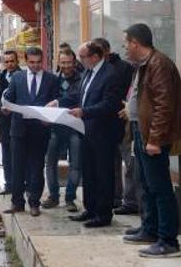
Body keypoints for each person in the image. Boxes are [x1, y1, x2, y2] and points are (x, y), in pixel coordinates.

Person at [121, 24, 181, 258]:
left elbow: (164, 106)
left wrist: (154, 139)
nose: (125, 48)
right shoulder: (145, 64)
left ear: (135, 43)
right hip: (141, 130)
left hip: (152, 136)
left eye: (126, 44)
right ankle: (150, 230)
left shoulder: (158, 64)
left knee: (160, 187)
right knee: (146, 184)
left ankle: (168, 241)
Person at [53, 42, 122, 228]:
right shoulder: (88, 73)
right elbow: (79, 97)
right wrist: (59, 102)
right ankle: (90, 209)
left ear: (95, 57)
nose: (79, 61)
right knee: (89, 173)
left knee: (103, 174)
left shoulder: (110, 74)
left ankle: (103, 214)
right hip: (86, 131)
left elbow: (110, 104)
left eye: (82, 57)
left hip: (103, 133)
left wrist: (85, 112)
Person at [2, 47, 59, 217]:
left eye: (38, 62)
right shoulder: (17, 78)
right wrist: (6, 108)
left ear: (43, 61)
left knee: (36, 166)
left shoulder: (51, 79)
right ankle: (17, 202)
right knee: (17, 167)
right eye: (31, 62)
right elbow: (10, 98)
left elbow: (56, 102)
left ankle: (34, 202)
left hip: (40, 129)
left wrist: (49, 118)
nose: (35, 66)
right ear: (26, 61)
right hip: (19, 129)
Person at [93, 37, 140, 215]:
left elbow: (130, 95)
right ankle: (114, 198)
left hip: (125, 121)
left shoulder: (124, 68)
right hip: (104, 123)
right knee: (110, 164)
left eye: (97, 52)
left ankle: (131, 201)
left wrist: (127, 111)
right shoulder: (95, 70)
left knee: (129, 163)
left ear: (106, 51)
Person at [42, 48, 82, 212]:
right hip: (55, 127)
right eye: (63, 62)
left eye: (69, 62)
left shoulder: (82, 78)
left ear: (74, 62)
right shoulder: (53, 79)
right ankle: (53, 196)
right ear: (58, 62)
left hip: (74, 127)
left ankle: (70, 198)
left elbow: (76, 97)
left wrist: (57, 102)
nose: (66, 66)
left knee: (76, 165)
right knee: (50, 163)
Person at [0, 50, 21, 195]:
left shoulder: (24, 76)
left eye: (12, 61)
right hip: (5, 122)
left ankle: (23, 184)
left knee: (21, 155)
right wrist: (3, 109)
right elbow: (1, 99)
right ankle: (9, 185)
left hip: (20, 121)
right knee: (6, 154)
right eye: (7, 61)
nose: (9, 64)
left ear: (17, 61)